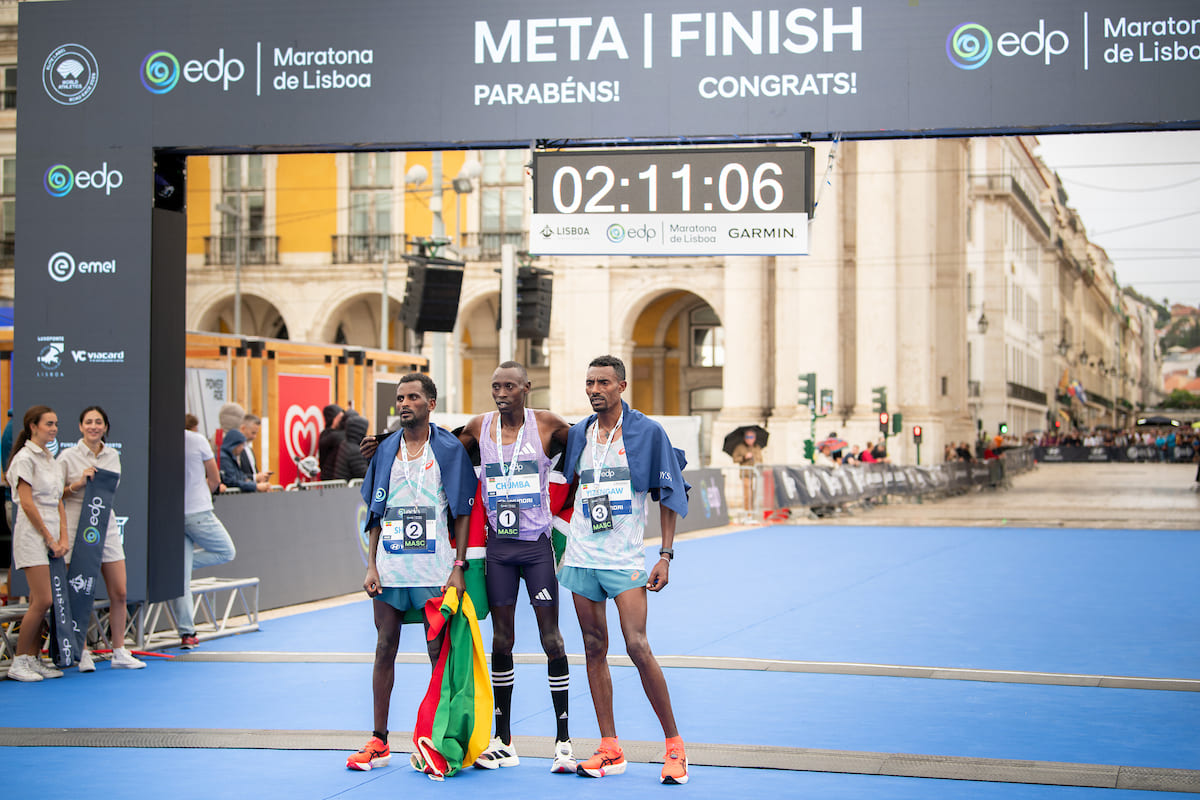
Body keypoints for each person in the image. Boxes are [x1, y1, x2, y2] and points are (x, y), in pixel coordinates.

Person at [559, 355, 690, 785]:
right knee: (594, 647)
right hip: (581, 556)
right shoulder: (579, 432)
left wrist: (666, 555)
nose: (594, 389)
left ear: (622, 386)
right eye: (589, 382)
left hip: (626, 559)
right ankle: (609, 746)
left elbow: (669, 493)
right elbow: (569, 486)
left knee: (636, 645)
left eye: (603, 382)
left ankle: (675, 746)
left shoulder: (647, 431)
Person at [346, 373, 477, 772]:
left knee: (438, 653)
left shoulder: (449, 450)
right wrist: (370, 564)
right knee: (385, 648)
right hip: (390, 569)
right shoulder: (385, 450)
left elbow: (463, 512)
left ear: (431, 404)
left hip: (432, 569)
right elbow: (375, 513)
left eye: (414, 397)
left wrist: (458, 565)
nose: (405, 403)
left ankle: (437, 738)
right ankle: (379, 740)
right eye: (401, 397)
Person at [455, 362, 576, 773]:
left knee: (551, 639)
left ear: (527, 387)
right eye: (495, 386)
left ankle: (563, 740)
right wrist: (385, 442)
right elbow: (443, 446)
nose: (501, 392)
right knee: (501, 640)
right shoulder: (479, 425)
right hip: (499, 552)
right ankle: (503, 740)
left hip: (536, 549)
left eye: (509, 386)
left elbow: (589, 441)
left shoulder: (545, 424)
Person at [57, 406, 145, 670]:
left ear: (105, 427)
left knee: (119, 591)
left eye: (98, 422)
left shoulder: (112, 455)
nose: (93, 426)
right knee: (80, 591)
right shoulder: (67, 457)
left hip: (104, 526)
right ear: (81, 426)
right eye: (88, 422)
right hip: (75, 527)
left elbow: (110, 487)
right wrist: (78, 484)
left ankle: (119, 650)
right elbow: (55, 493)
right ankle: (81, 650)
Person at [5, 406, 68, 681]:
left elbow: (57, 501)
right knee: (43, 599)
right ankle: (18, 661)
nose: (54, 428)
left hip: (52, 538)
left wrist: (63, 538)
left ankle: (33, 658)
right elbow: (28, 504)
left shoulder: (51, 459)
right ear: (33, 426)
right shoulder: (23, 459)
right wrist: (48, 536)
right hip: (32, 536)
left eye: (55, 424)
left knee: (41, 601)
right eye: (49, 424)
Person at [170, 415, 238, 649]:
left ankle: (187, 633)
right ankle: (187, 631)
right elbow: (215, 477)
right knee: (226, 551)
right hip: (198, 511)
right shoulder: (197, 440)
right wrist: (205, 493)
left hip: (172, 513)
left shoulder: (164, 440)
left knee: (181, 577)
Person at [729, 429, 763, 523]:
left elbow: (761, 459)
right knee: (747, 494)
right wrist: (744, 457)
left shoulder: (757, 447)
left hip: (755, 474)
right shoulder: (740, 447)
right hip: (746, 474)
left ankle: (753, 512)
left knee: (755, 494)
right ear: (744, 438)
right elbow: (735, 459)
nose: (749, 439)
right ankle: (748, 514)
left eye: (751, 437)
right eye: (747, 437)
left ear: (754, 438)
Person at [333, 412, 370, 482]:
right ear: (360, 431)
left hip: (342, 488)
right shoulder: (355, 451)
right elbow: (365, 474)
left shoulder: (345, 444)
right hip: (349, 491)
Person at [236, 413, 272, 484]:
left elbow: (253, 471)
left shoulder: (249, 449)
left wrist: (262, 477)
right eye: (253, 433)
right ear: (243, 429)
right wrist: (256, 477)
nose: (254, 436)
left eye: (256, 433)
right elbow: (236, 475)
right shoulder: (236, 450)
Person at [318, 403, 346, 481]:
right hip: (331, 479)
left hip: (331, 478)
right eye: (340, 417)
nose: (342, 420)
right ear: (334, 419)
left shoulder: (326, 435)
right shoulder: (332, 436)